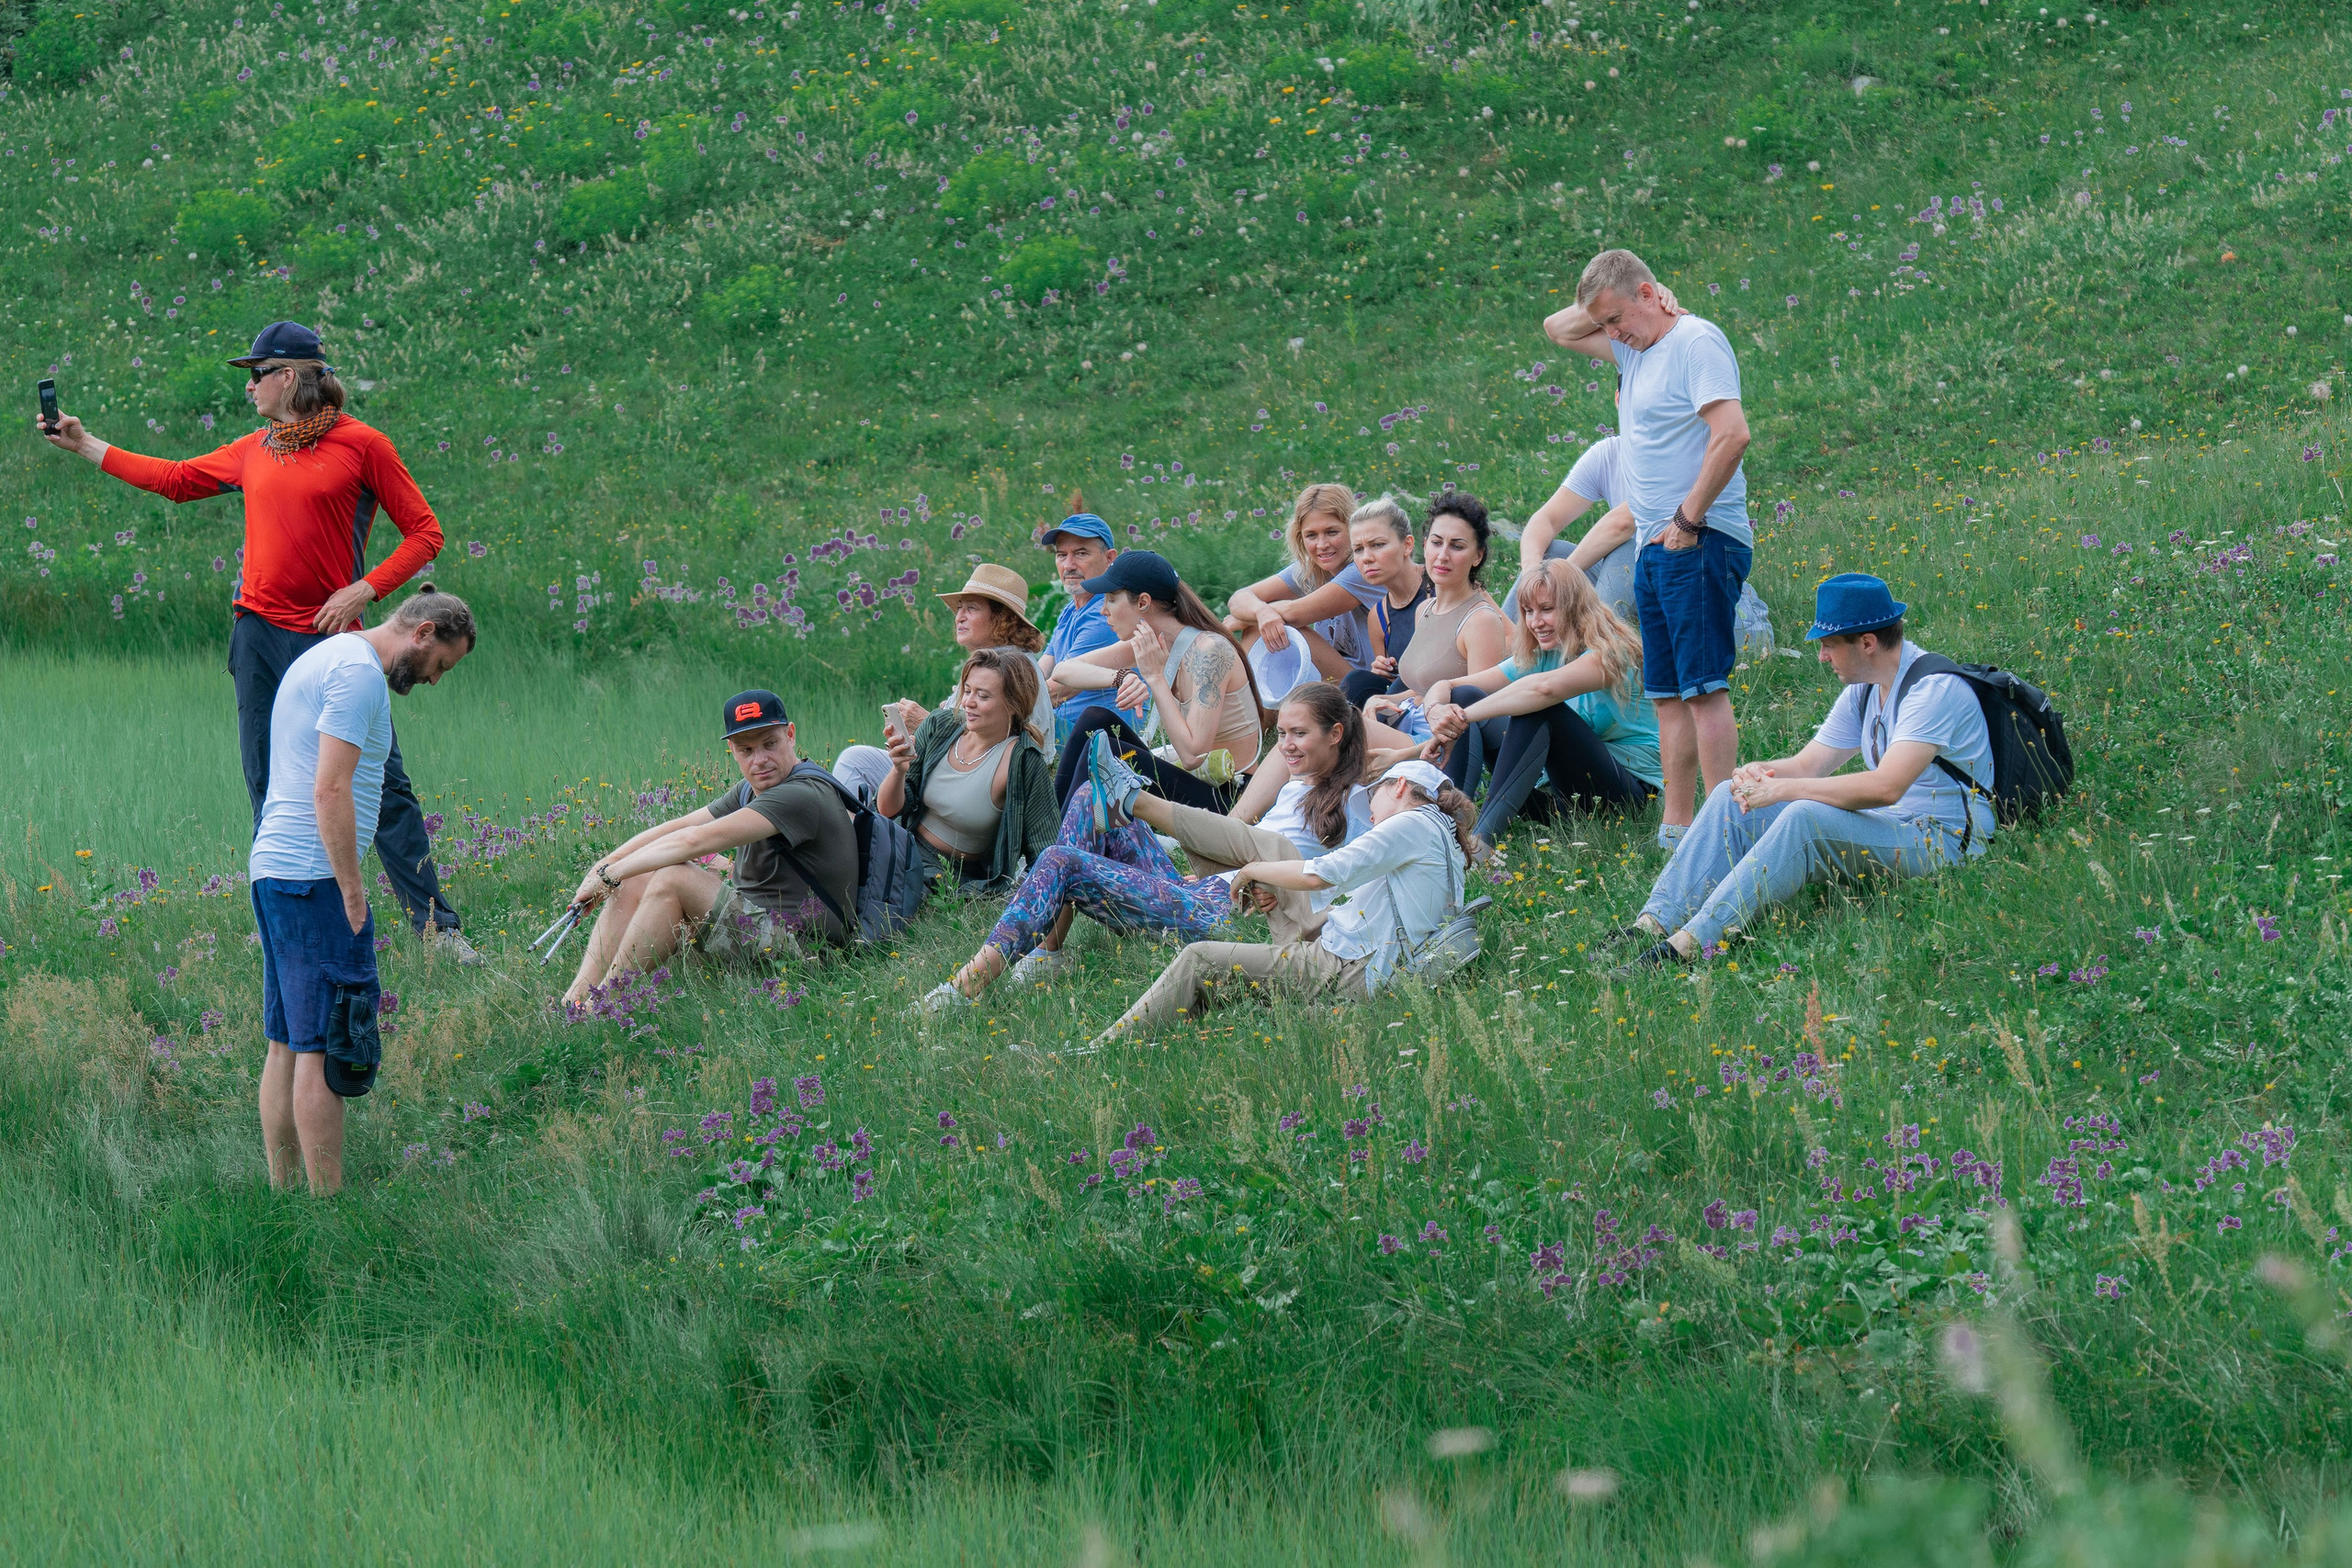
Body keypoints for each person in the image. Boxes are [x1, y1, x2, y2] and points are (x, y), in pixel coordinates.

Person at [40, 321, 478, 961]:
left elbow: (425, 533)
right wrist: (85, 446)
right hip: (259, 637)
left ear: (290, 377)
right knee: (269, 784)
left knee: (383, 787)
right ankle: (284, 923)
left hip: (333, 644)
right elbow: (176, 479)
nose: (249, 387)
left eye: (256, 375)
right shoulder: (256, 448)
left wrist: (365, 589)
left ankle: (438, 931)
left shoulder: (362, 446)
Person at [1603, 574, 1995, 975]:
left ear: (1866, 643)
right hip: (1894, 825)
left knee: (1804, 816)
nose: (1822, 657)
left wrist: (1783, 790)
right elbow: (1810, 765)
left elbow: (1885, 787)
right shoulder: (1866, 686)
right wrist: (1760, 774)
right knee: (1725, 794)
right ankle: (1652, 923)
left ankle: (1689, 945)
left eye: (1827, 645)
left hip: (1941, 838)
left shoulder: (1933, 692)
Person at [247, 587, 477, 1195]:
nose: (433, 679)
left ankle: (284, 1192)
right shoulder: (359, 676)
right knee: (326, 1044)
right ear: (423, 633)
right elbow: (330, 789)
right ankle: (328, 1206)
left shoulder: (325, 657)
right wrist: (353, 890)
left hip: (274, 870)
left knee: (287, 1044)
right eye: (441, 665)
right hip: (312, 879)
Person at [1544, 252, 1754, 852]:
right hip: (1654, 547)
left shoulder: (1695, 340)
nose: (1609, 333)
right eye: (1604, 323)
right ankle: (1677, 829)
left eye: (1615, 318)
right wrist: (1611, 306)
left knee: (1702, 688)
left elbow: (1733, 433)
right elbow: (1558, 328)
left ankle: (1723, 825)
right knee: (1665, 696)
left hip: (1700, 539)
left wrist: (1689, 519)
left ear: (1646, 292)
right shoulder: (1631, 350)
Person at [985, 681, 1382, 989]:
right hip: (1206, 889)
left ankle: (984, 975)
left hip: (1228, 916)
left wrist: (1411, 752)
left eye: (1299, 734)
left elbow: (1367, 874)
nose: (1286, 746)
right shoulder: (1297, 785)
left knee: (1061, 859)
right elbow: (1245, 842)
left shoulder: (1360, 803)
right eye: (1281, 734)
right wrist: (1216, 876)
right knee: (1090, 796)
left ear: (1335, 734)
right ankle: (1049, 954)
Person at [1086, 760, 1482, 1045]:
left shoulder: (1410, 824)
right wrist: (1273, 887)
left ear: (1399, 786)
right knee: (1275, 846)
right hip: (1347, 950)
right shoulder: (1440, 835)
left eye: (1373, 799)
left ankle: (1101, 1051)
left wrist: (1252, 872)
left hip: (1352, 971)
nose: (1372, 817)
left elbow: (1321, 873)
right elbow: (1363, 908)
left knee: (1199, 959)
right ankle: (1133, 802)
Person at [560, 691, 857, 1003]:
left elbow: (693, 841)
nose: (760, 760)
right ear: (732, 750)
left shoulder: (799, 794)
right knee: (634, 875)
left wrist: (608, 877)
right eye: (747, 749)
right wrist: (607, 865)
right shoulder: (752, 788)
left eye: (770, 743)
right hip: (761, 923)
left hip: (808, 953)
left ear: (790, 735)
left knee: (673, 878)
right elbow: (682, 825)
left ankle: (600, 1005)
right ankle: (575, 1000)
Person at [1425, 558, 1661, 843]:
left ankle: (1479, 845)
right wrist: (1437, 712)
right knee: (1464, 696)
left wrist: (1461, 718)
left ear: (1575, 607)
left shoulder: (1611, 652)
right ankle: (1450, 828)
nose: (1536, 622)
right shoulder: (1542, 654)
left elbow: (1544, 690)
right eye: (1527, 611)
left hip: (1626, 798)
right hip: (1561, 797)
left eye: (1547, 609)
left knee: (1539, 709)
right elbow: (1449, 686)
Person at [1513, 433, 1774, 656]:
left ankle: (1592, 656)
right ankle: (1508, 650)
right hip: (1639, 591)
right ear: (1621, 399)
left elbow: (1621, 525)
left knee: (1631, 548)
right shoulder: (1608, 454)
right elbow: (1544, 520)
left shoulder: (1685, 454)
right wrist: (1533, 578)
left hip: (1705, 605)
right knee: (1550, 553)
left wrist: (1557, 582)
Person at [1047, 550, 1268, 813]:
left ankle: (1060, 840)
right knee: (1095, 719)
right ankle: (1052, 828)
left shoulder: (1210, 651)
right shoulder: (1149, 643)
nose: (1104, 610)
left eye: (1111, 599)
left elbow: (1193, 755)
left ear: (1143, 602)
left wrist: (1154, 679)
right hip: (1198, 782)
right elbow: (1063, 670)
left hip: (1230, 795)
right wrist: (1120, 677)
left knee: (1106, 749)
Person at [835, 562, 1051, 803]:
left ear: (1002, 619)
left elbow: (992, 744)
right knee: (859, 760)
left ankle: (861, 835)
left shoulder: (1009, 668)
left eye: (972, 608)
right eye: (959, 608)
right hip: (959, 767)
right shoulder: (996, 660)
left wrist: (926, 722)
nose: (959, 617)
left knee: (854, 762)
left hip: (976, 780)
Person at [872, 649, 1058, 893]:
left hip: (948, 875)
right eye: (967, 691)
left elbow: (1045, 847)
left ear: (1013, 704)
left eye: (983, 696)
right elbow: (887, 811)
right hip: (901, 842)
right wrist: (898, 771)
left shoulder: (1022, 760)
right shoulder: (941, 725)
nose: (968, 702)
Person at [1363, 491, 1510, 748]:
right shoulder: (1425, 609)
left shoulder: (1481, 621)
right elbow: (1422, 691)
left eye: (1457, 546)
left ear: (1478, 556)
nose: (1442, 555)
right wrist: (1387, 701)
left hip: (1439, 741)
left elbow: (1479, 711)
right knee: (1332, 719)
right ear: (1424, 544)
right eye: (1436, 542)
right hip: (1411, 720)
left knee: (1335, 733)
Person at [1223, 482, 1376, 682]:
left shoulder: (1363, 569)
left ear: (1352, 529)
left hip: (1368, 686)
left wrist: (1246, 618)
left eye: (1332, 532)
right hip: (1336, 678)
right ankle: (1252, 704)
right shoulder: (1311, 569)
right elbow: (1239, 598)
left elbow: (1294, 614)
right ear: (1300, 537)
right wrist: (1260, 612)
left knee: (1280, 629)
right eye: (1311, 535)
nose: (1322, 545)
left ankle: (1247, 702)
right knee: (1262, 625)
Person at [1035, 513, 1145, 747]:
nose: (1069, 565)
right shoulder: (1071, 609)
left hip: (1101, 738)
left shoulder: (1106, 612)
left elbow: (1059, 689)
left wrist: (1000, 708)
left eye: (1081, 553)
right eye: (1062, 555)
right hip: (1068, 730)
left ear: (1110, 558)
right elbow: (1039, 672)